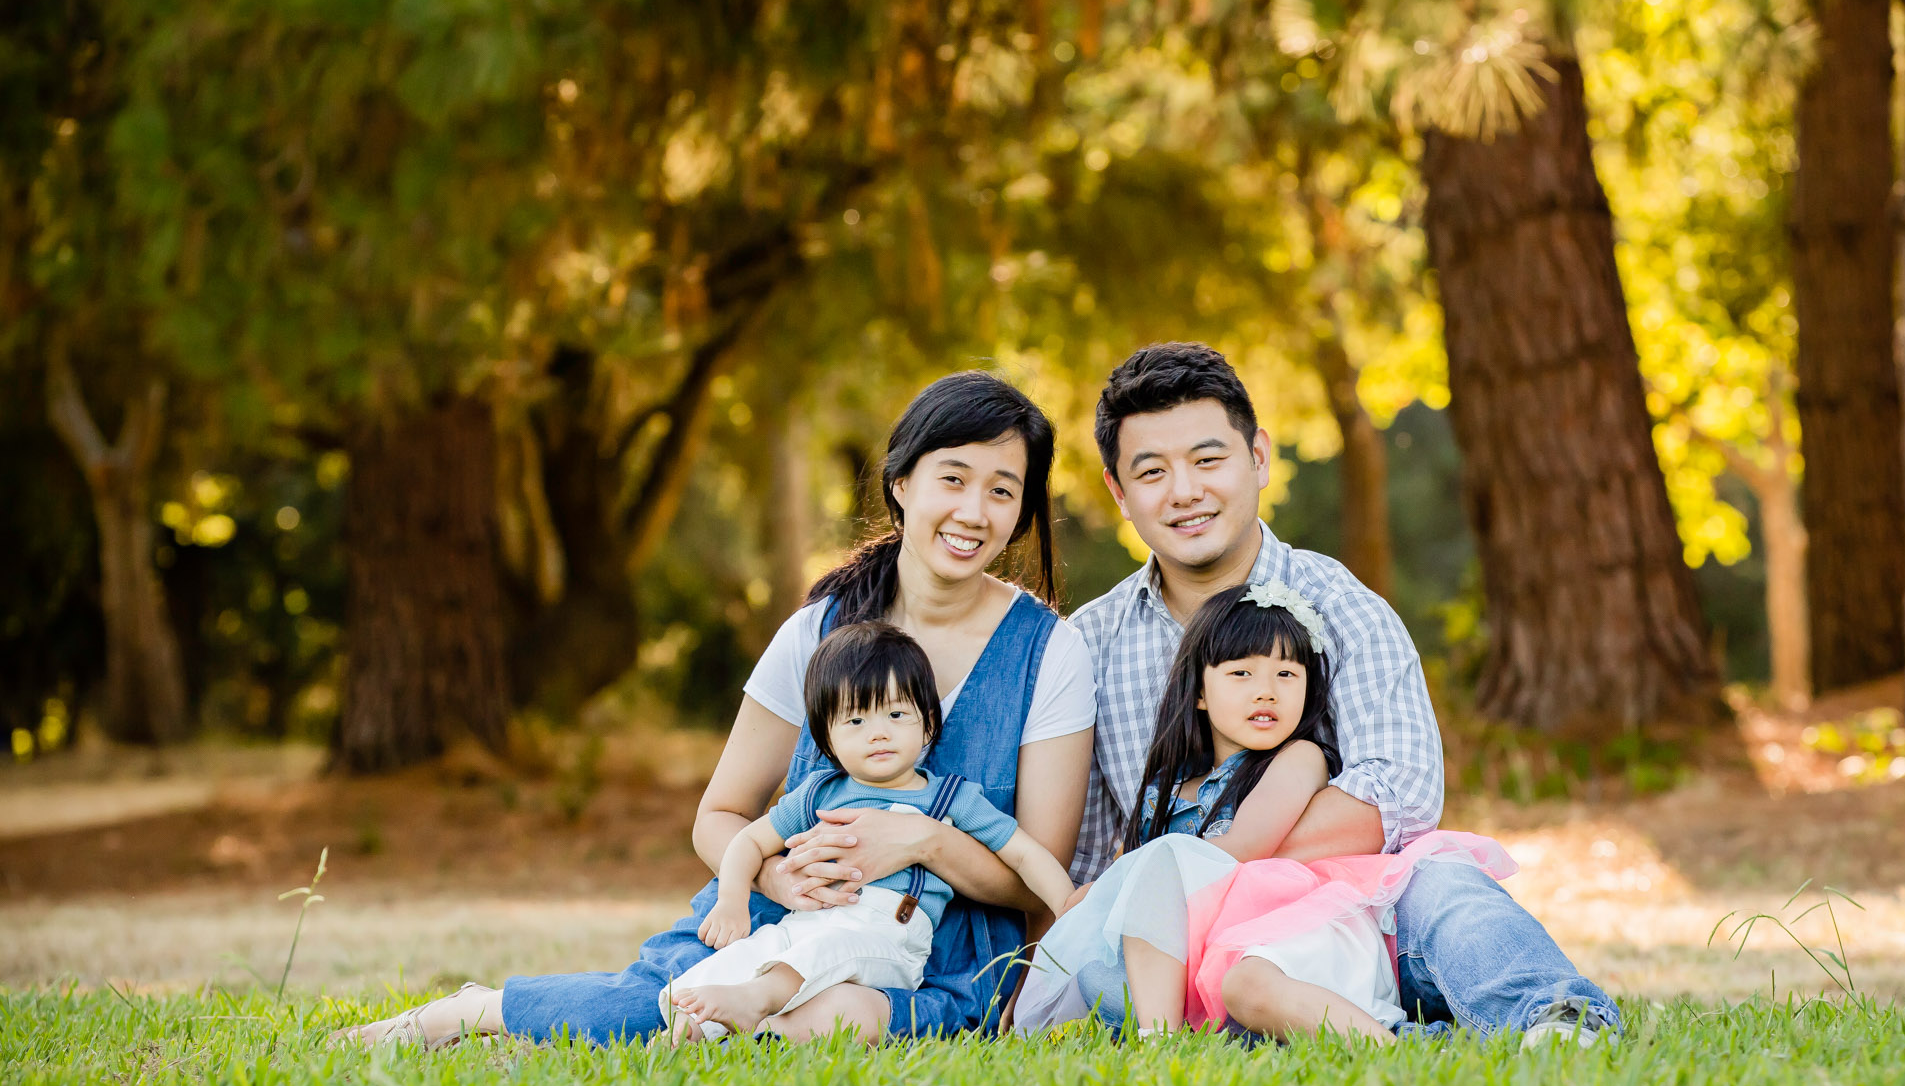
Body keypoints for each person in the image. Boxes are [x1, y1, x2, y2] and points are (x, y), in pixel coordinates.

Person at [334, 372, 1094, 1050]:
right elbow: (721, 815)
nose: (974, 510)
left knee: (835, 1022)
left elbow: (1035, 880)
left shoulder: (1047, 651)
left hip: (938, 960)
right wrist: (776, 883)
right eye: (953, 478)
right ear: (900, 482)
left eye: (1003, 489)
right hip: (786, 915)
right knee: (650, 1013)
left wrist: (923, 839)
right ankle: (468, 1012)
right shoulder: (819, 630)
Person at [1055, 342, 1618, 1047]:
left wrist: (1205, 861)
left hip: (1356, 915)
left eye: (1207, 460)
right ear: (1118, 492)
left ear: (1257, 456)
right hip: (1207, 946)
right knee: (1113, 972)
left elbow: (1403, 789)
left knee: (1440, 882)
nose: (1184, 491)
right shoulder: (1091, 645)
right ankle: (1380, 1034)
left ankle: (1557, 1019)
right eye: (1152, 472)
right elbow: (1084, 858)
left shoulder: (1338, 604)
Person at [1014, 582, 1515, 1044]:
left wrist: (1129, 876)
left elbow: (1244, 847)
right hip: (1206, 958)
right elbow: (1142, 894)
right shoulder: (1164, 794)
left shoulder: (1298, 759)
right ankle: (1164, 1035)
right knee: (1098, 969)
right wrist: (1095, 896)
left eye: (1285, 674)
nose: (1265, 690)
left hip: (1293, 933)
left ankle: (1400, 1043)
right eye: (1241, 673)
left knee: (1248, 981)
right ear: (1200, 694)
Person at [661, 620, 1073, 1042]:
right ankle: (696, 1030)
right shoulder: (820, 794)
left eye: (896, 714)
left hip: (889, 933)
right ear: (827, 738)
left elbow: (1023, 852)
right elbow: (749, 839)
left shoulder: (951, 798)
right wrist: (732, 899)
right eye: (855, 721)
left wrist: (1066, 902)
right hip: (806, 925)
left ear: (927, 722)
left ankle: (755, 1002)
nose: (879, 732)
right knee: (741, 959)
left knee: (829, 963)